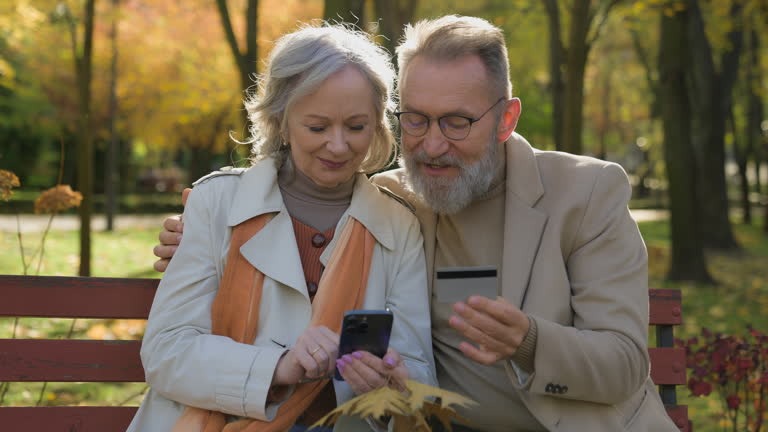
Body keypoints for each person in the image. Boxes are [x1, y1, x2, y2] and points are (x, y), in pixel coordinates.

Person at [154, 15, 678, 432]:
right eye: (417, 120)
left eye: (457, 122)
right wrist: (198, 234)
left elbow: (624, 364)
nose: (432, 145)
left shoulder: (586, 194)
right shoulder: (397, 200)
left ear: (506, 118)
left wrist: (530, 342)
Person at [130, 23, 436, 432]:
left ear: (378, 124)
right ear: (281, 119)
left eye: (356, 126)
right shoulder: (217, 203)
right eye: (318, 127)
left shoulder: (398, 223)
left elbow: (418, 371)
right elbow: (166, 353)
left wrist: (394, 379)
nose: (338, 145)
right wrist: (278, 366)